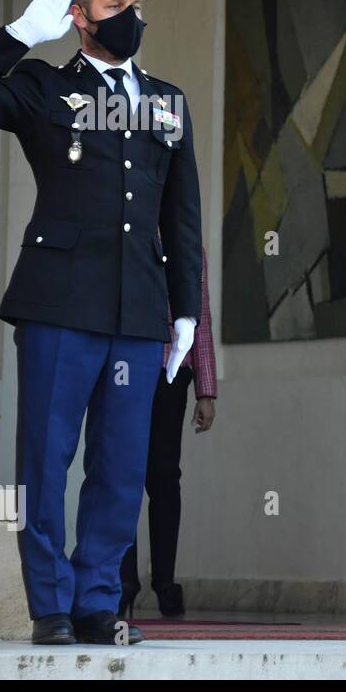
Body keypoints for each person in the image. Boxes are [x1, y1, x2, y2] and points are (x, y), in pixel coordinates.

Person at [0, 0, 202, 646]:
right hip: (59, 306)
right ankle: (51, 604)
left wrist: (184, 313)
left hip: (139, 311)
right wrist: (23, 32)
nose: (129, 19)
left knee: (121, 467)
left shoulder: (168, 101)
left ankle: (97, 602)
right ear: (78, 16)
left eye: (134, 6)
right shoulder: (40, 88)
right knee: (46, 461)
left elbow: (183, 216)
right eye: (114, 8)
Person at [120, 245, 217, 619]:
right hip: (125, 368)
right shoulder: (127, 230)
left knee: (163, 476)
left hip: (171, 372)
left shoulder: (191, 249)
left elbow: (201, 316)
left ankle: (165, 582)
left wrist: (206, 391)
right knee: (122, 472)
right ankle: (122, 582)